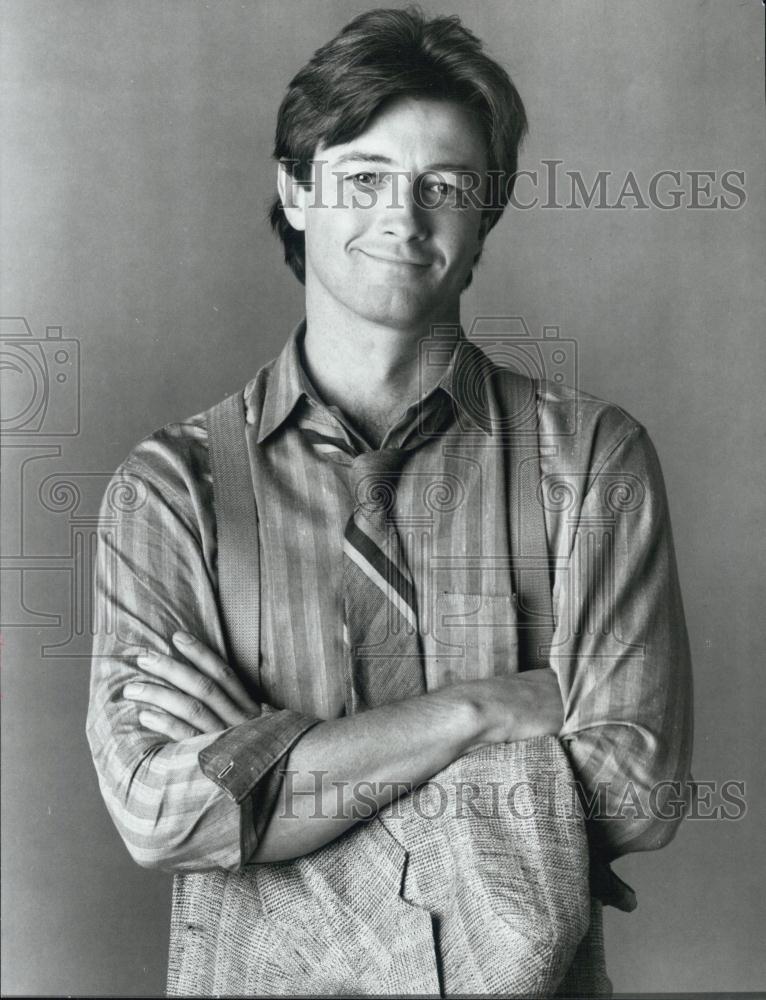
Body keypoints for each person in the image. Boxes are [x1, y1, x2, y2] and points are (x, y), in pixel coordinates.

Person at [87, 6, 693, 994]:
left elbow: (636, 791)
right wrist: (484, 710)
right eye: (363, 178)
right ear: (293, 190)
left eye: (442, 186)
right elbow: (163, 813)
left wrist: (271, 766)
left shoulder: (587, 460)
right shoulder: (171, 492)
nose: (402, 220)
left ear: (484, 209)